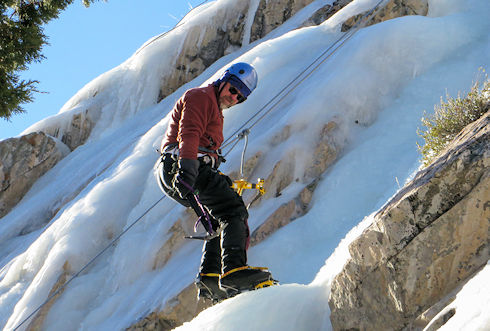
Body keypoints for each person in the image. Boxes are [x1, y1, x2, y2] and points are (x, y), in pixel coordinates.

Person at [157, 62, 273, 301]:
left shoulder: (214, 109)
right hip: (183, 165)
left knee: (217, 217)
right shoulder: (200, 97)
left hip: (178, 169)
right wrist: (187, 170)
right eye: (233, 90)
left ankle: (210, 277)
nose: (234, 98)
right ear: (224, 80)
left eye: (240, 97)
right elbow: (188, 133)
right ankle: (233, 271)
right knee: (233, 210)